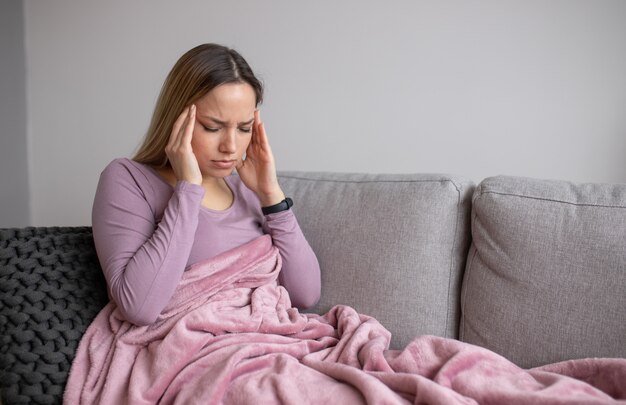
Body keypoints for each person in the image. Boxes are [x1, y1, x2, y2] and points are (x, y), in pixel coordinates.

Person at [91, 43, 321, 326]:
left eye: (244, 128)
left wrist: (271, 196)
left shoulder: (248, 192)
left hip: (268, 340)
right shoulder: (128, 179)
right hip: (198, 351)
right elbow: (139, 307)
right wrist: (187, 190)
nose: (231, 146)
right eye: (213, 127)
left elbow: (305, 294)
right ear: (176, 118)